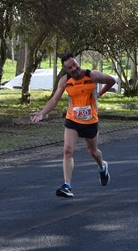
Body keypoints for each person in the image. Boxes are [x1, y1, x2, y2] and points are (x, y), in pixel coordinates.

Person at [31, 53, 116, 198]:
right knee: (67, 150)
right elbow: (54, 100)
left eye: (74, 64)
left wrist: (99, 94)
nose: (73, 68)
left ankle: (102, 167)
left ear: (78, 62)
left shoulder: (92, 76)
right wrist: (42, 113)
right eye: (69, 67)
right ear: (66, 70)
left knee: (93, 152)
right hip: (73, 120)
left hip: (90, 121)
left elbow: (111, 81)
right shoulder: (65, 81)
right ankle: (67, 186)